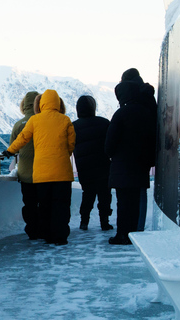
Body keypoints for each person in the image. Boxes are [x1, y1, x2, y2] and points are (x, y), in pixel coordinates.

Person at [3, 89, 75, 245]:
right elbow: (71, 144)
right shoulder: (65, 120)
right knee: (61, 206)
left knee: (45, 206)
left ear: (41, 103)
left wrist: (10, 151)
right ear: (58, 102)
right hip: (62, 173)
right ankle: (61, 237)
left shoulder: (35, 121)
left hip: (41, 173)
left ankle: (47, 236)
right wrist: (64, 154)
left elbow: (22, 139)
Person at [105, 79, 156, 245]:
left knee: (123, 203)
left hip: (122, 166)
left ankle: (122, 235)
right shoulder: (146, 112)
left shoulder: (120, 114)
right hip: (141, 165)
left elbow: (109, 144)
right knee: (134, 203)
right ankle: (134, 234)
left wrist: (111, 154)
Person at [120, 68, 157, 231]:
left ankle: (129, 228)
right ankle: (139, 226)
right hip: (147, 147)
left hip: (130, 150)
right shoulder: (148, 96)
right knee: (142, 188)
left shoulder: (131, 97)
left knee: (128, 191)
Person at [72, 95, 113, 231]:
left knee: (87, 194)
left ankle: (84, 221)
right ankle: (104, 222)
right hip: (103, 166)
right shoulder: (104, 123)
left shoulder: (74, 126)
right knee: (104, 195)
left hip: (84, 168)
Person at [9, 91, 40, 239]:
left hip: (25, 172)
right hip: (43, 171)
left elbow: (12, 147)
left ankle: (32, 230)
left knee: (29, 203)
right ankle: (45, 229)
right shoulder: (42, 121)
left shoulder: (18, 125)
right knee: (44, 202)